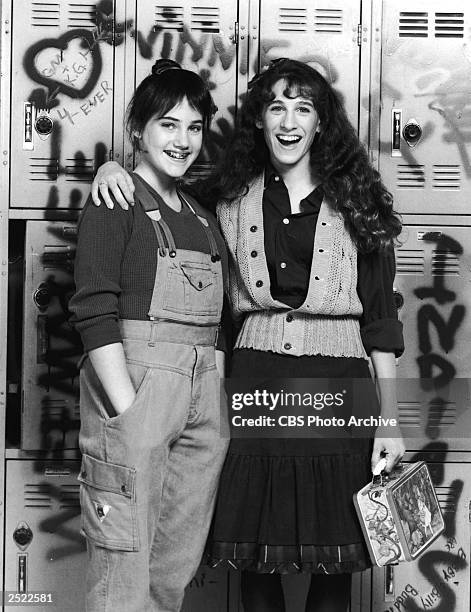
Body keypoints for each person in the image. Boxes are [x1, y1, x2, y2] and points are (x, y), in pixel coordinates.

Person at [90, 58, 405, 612]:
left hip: (341, 391)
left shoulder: (359, 201)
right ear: (258, 119)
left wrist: (391, 424)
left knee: (337, 563)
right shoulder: (226, 198)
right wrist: (112, 170)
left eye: (303, 108)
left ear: (320, 123)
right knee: (256, 559)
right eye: (276, 106)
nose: (288, 121)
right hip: (254, 387)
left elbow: (381, 324)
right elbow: (157, 196)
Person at [69, 59, 229, 612]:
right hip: (138, 390)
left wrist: (214, 397)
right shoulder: (115, 200)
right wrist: (129, 411)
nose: (182, 140)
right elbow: (93, 311)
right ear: (138, 130)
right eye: (168, 124)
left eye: (194, 127)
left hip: (201, 399)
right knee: (123, 564)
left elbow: (219, 325)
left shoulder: (204, 218)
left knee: (172, 567)